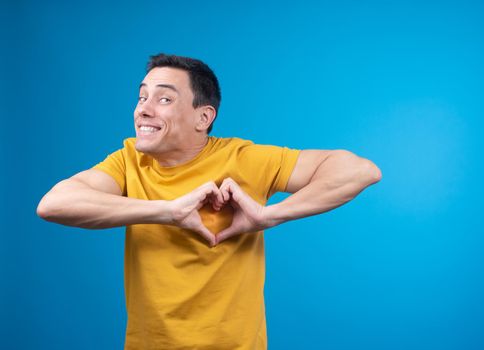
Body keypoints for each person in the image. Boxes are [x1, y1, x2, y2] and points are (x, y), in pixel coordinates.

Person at [36, 53, 382, 350]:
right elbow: (55, 204)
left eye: (164, 99)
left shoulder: (242, 158)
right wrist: (168, 211)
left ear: (204, 117)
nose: (143, 109)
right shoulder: (128, 162)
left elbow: (359, 170)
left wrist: (269, 216)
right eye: (142, 97)